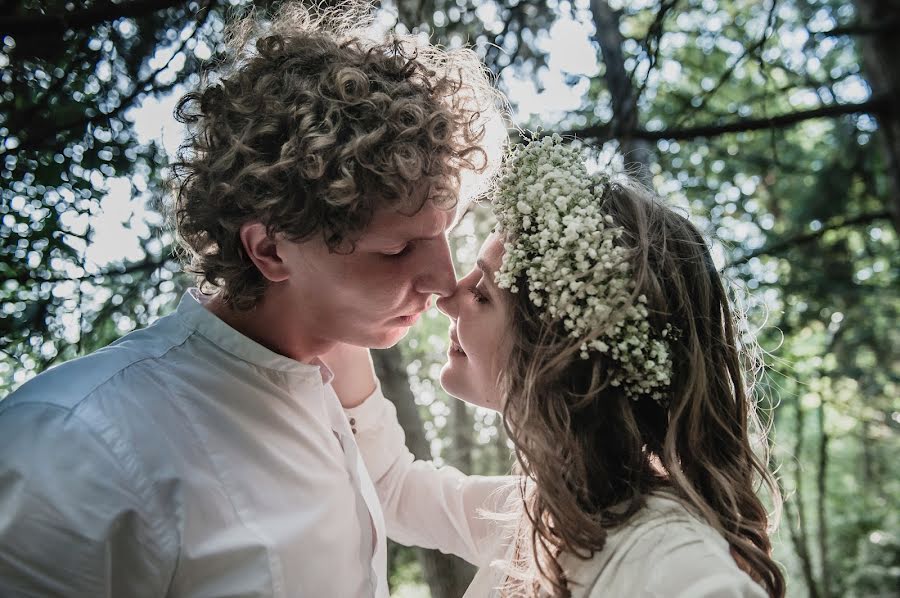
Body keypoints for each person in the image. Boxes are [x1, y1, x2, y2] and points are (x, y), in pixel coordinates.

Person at [0, 2, 504, 596]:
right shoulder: (72, 446)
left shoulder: (337, 365)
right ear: (269, 251)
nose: (446, 282)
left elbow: (395, 485)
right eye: (396, 251)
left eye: (446, 233)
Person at [330, 135, 786, 597]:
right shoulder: (538, 510)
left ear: (555, 352)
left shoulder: (672, 561)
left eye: (484, 293)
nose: (447, 297)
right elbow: (393, 489)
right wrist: (332, 300)